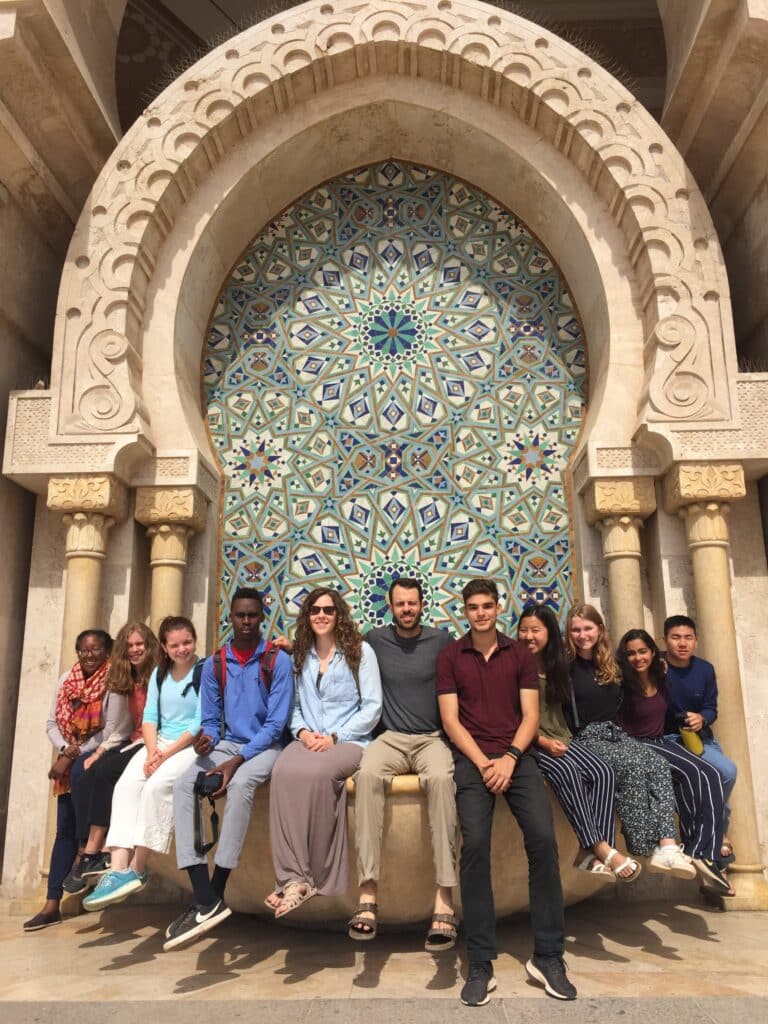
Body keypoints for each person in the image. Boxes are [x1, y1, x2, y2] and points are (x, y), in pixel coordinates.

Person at [436, 579, 576, 1006]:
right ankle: (480, 961)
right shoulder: (450, 655)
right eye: (473, 607)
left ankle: (549, 957)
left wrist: (512, 758)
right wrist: (483, 764)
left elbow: (531, 714)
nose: (480, 613)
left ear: (499, 608)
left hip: (518, 758)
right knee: (475, 845)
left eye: (487, 606)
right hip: (473, 760)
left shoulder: (518, 653)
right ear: (465, 611)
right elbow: (451, 721)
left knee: (543, 841)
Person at [163, 587, 293, 951]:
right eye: (240, 615)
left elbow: (275, 725)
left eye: (253, 615)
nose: (247, 622)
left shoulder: (276, 661)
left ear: (261, 617)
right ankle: (204, 895)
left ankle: (216, 889)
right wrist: (205, 740)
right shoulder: (216, 663)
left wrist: (235, 763)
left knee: (241, 785)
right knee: (185, 784)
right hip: (227, 745)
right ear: (230, 618)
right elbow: (210, 720)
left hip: (266, 747)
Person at [349, 577, 457, 949]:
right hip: (390, 738)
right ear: (389, 606)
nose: (407, 609)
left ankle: (444, 897)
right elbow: (329, 651)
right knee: (366, 777)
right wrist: (283, 649)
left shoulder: (442, 641)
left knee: (443, 782)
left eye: (412, 603)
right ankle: (367, 895)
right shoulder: (373, 641)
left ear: (423, 604)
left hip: (431, 738)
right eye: (400, 604)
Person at [266, 587, 382, 918]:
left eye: (328, 610)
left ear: (339, 614)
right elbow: (296, 706)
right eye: (315, 610)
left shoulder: (360, 651)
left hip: (351, 741)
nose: (321, 615)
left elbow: (372, 708)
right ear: (306, 615)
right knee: (283, 771)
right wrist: (302, 732)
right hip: (309, 739)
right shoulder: (300, 655)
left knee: (319, 775)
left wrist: (335, 736)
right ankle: (291, 879)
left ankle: (313, 877)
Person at [565, 605, 695, 880]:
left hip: (615, 734)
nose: (582, 635)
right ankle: (643, 845)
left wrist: (661, 660)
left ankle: (668, 846)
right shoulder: (564, 666)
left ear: (600, 630)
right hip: (585, 736)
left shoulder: (610, 664)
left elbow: (642, 662)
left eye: (588, 628)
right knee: (634, 764)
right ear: (569, 633)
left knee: (659, 764)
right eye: (576, 629)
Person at [82, 616, 202, 911]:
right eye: (175, 645)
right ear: (164, 646)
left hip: (188, 746)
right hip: (157, 743)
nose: (182, 649)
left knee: (156, 788)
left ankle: (137, 868)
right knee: (125, 787)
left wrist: (166, 754)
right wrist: (151, 753)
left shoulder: (205, 670)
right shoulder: (161, 673)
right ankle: (118, 869)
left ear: (195, 641)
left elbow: (200, 721)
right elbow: (149, 717)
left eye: (187, 642)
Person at [517, 605, 640, 883]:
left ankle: (594, 855)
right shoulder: (514, 665)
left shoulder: (556, 666)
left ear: (550, 633)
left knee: (603, 772)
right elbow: (510, 716)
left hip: (563, 737)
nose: (529, 636)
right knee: (568, 772)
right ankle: (600, 848)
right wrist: (543, 741)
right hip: (533, 742)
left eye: (536, 630)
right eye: (523, 630)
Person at [616, 629, 732, 895]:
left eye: (643, 651)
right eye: (631, 653)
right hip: (636, 745)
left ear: (652, 653)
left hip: (660, 741)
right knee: (694, 773)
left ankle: (703, 850)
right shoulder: (621, 684)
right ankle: (700, 849)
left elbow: (678, 708)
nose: (637, 658)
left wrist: (697, 718)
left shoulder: (662, 678)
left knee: (711, 774)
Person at [23, 629, 116, 931]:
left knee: (84, 832)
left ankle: (89, 883)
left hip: (97, 760)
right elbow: (52, 723)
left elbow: (111, 728)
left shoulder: (114, 681)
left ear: (107, 651)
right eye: (84, 650)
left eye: (96, 649)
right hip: (70, 762)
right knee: (64, 830)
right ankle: (52, 904)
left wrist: (77, 754)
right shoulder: (67, 680)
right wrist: (67, 750)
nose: (89, 655)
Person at [69, 622, 161, 890]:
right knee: (88, 773)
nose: (134, 650)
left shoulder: (160, 675)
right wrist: (100, 750)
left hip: (152, 739)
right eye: (130, 645)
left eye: (139, 644)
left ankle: (95, 852)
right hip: (132, 739)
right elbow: (120, 724)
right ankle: (87, 849)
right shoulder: (126, 678)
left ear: (150, 646)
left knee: (106, 773)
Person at [663, 615, 737, 866]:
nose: (682, 643)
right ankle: (718, 831)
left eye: (688, 638)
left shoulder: (705, 669)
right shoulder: (657, 666)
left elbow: (711, 707)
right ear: (665, 640)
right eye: (675, 637)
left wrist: (702, 718)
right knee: (723, 773)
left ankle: (718, 826)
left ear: (696, 641)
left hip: (700, 737)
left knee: (726, 772)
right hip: (670, 738)